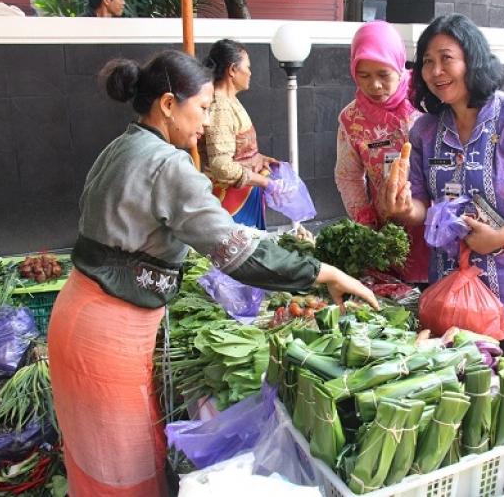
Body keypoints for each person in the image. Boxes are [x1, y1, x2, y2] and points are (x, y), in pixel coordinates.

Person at [47, 50, 378, 497]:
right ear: (168, 104)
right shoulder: (168, 165)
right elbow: (238, 255)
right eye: (202, 108)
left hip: (80, 313)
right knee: (122, 467)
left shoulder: (124, 144)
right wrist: (323, 273)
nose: (206, 122)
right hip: (109, 333)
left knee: (98, 458)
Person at [383, 14, 504, 367]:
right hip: (450, 286)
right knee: (458, 387)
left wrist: (500, 236)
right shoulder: (424, 130)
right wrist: (403, 208)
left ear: (473, 59)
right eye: (426, 62)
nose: (436, 71)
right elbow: (422, 204)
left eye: (446, 58)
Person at [334, 21, 429, 283]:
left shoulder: (425, 102)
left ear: (399, 65)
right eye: (364, 75)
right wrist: (368, 225)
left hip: (433, 226)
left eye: (384, 74)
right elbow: (348, 176)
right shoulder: (351, 118)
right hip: (385, 231)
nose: (375, 85)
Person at [201, 39, 272, 228]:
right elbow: (221, 166)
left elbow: (239, 151)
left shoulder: (230, 100)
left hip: (244, 195)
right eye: (247, 67)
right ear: (232, 70)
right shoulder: (220, 107)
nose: (250, 72)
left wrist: (261, 159)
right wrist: (264, 182)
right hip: (230, 202)